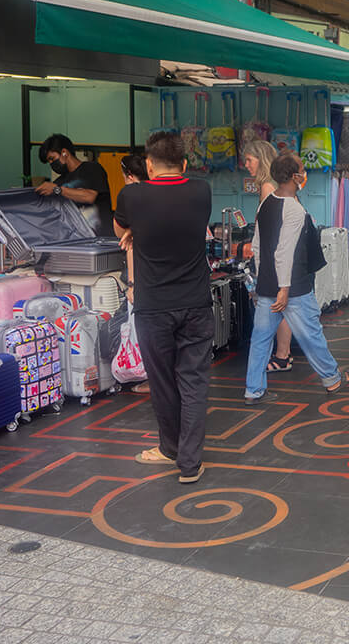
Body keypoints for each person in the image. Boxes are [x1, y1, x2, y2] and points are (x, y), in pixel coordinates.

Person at [115, 133, 213, 484]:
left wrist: (134, 233)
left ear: (150, 164)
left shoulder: (132, 196)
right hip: (197, 304)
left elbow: (120, 228)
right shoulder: (202, 191)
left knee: (162, 382)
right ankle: (189, 463)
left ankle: (170, 448)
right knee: (194, 382)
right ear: (185, 164)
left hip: (153, 307)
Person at [245, 153, 349, 404]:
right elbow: (284, 252)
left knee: (261, 338)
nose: (304, 173)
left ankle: (253, 390)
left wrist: (261, 280)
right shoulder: (294, 209)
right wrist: (283, 289)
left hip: (266, 285)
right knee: (311, 334)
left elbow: (257, 245)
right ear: (294, 176)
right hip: (292, 287)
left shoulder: (266, 203)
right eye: (303, 170)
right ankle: (332, 378)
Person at [243, 140, 296, 374]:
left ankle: (281, 355)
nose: (246, 165)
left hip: (272, 256)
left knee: (277, 305)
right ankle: (284, 352)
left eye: (249, 160)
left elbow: (268, 226)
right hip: (279, 253)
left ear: (260, 160)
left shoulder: (267, 187)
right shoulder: (276, 185)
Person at [118, 154, 150, 395]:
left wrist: (131, 284)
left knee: (145, 328)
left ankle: (151, 378)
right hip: (167, 274)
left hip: (143, 274)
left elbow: (128, 240)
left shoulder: (131, 197)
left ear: (129, 176)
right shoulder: (162, 193)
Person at [36, 133, 113, 236]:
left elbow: (89, 196)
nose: (51, 164)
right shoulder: (59, 182)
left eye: (52, 158)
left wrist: (58, 190)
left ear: (64, 153)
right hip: (76, 241)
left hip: (101, 239)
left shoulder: (93, 169)